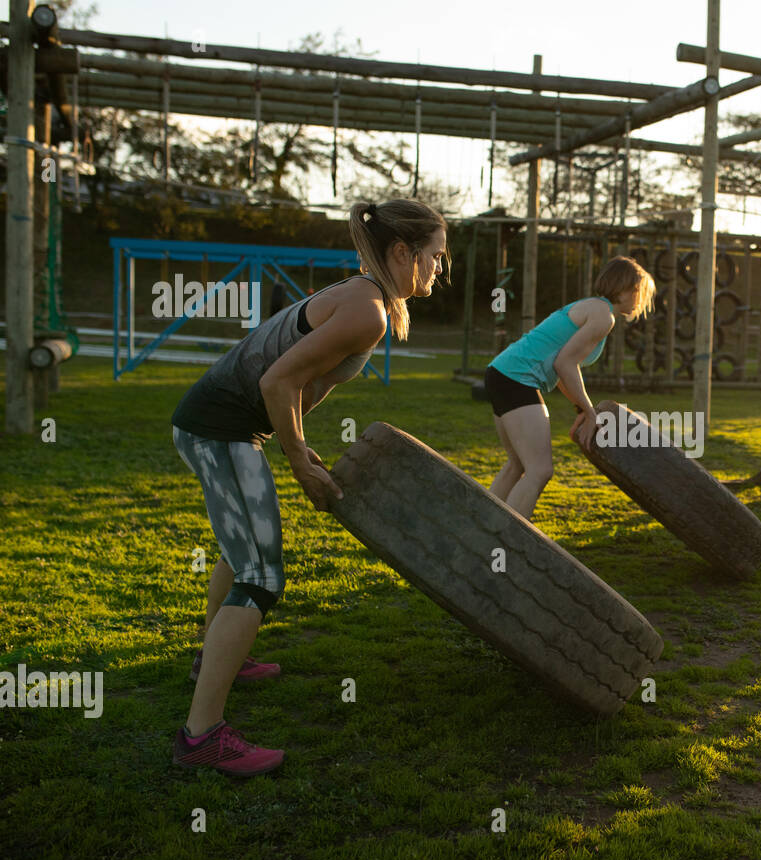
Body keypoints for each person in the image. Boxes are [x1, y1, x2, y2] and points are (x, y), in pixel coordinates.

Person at [169, 199, 449, 776]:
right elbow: (278, 379)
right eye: (435, 257)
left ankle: (215, 660)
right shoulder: (366, 310)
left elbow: (297, 383)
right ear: (403, 252)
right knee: (261, 575)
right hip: (219, 429)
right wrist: (297, 461)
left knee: (239, 550)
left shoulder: (365, 297)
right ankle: (202, 737)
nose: (438, 270)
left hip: (228, 427)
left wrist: (297, 443)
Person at [484, 255, 654, 519]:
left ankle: (483, 530)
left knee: (517, 464)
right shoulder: (603, 316)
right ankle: (509, 541)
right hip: (516, 377)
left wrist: (581, 410)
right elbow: (565, 364)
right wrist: (590, 412)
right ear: (627, 288)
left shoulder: (594, 307)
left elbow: (562, 370)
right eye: (640, 292)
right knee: (539, 470)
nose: (640, 300)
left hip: (500, 373)